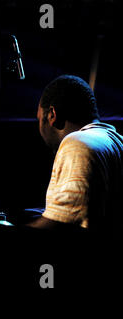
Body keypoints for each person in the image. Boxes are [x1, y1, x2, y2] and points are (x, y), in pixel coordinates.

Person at [27, 75, 123, 237]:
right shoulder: (117, 142)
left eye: (39, 119)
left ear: (52, 115)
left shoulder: (77, 143)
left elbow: (63, 224)